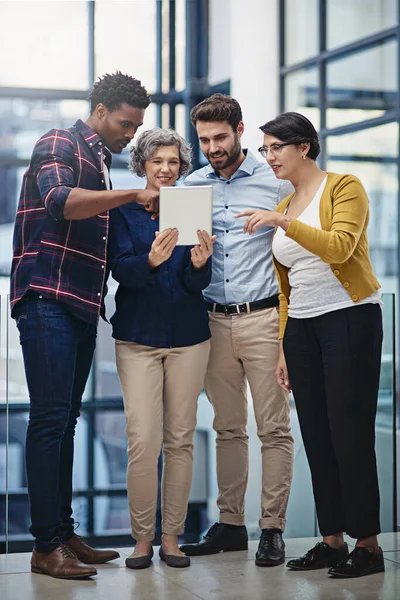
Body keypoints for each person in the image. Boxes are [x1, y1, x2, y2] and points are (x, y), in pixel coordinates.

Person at [10, 71, 159, 580]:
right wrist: (133, 196)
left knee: (65, 421)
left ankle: (62, 533)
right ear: (100, 112)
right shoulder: (60, 141)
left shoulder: (97, 158)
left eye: (136, 127)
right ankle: (45, 546)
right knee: (50, 421)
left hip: (76, 305)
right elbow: (61, 203)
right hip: (47, 300)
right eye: (124, 124)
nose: (129, 135)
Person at [237, 111, 384, 578]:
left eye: (275, 147)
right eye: (264, 149)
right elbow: (287, 288)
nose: (269, 157)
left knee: (349, 432)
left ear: (304, 147)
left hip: (350, 320)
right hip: (301, 327)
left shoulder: (344, 187)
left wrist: (282, 222)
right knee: (317, 437)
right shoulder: (286, 197)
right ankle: (332, 540)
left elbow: (340, 247)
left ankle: (368, 545)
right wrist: (283, 345)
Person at [179, 94, 294, 567]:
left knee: (274, 429)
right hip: (212, 321)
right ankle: (230, 525)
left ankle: (273, 529)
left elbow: (298, 241)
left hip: (265, 319)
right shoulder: (190, 186)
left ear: (241, 130)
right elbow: (182, 266)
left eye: (220, 137)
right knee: (227, 427)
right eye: (204, 139)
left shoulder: (274, 181)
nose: (213, 147)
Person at [108, 128, 214, 569]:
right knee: (143, 440)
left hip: (189, 338)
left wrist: (199, 264)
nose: (166, 169)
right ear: (143, 166)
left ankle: (171, 538)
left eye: (173, 162)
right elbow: (119, 272)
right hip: (138, 338)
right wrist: (150, 260)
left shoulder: (193, 207)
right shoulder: (124, 213)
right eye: (158, 162)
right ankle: (140, 540)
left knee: (181, 439)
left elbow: (198, 284)